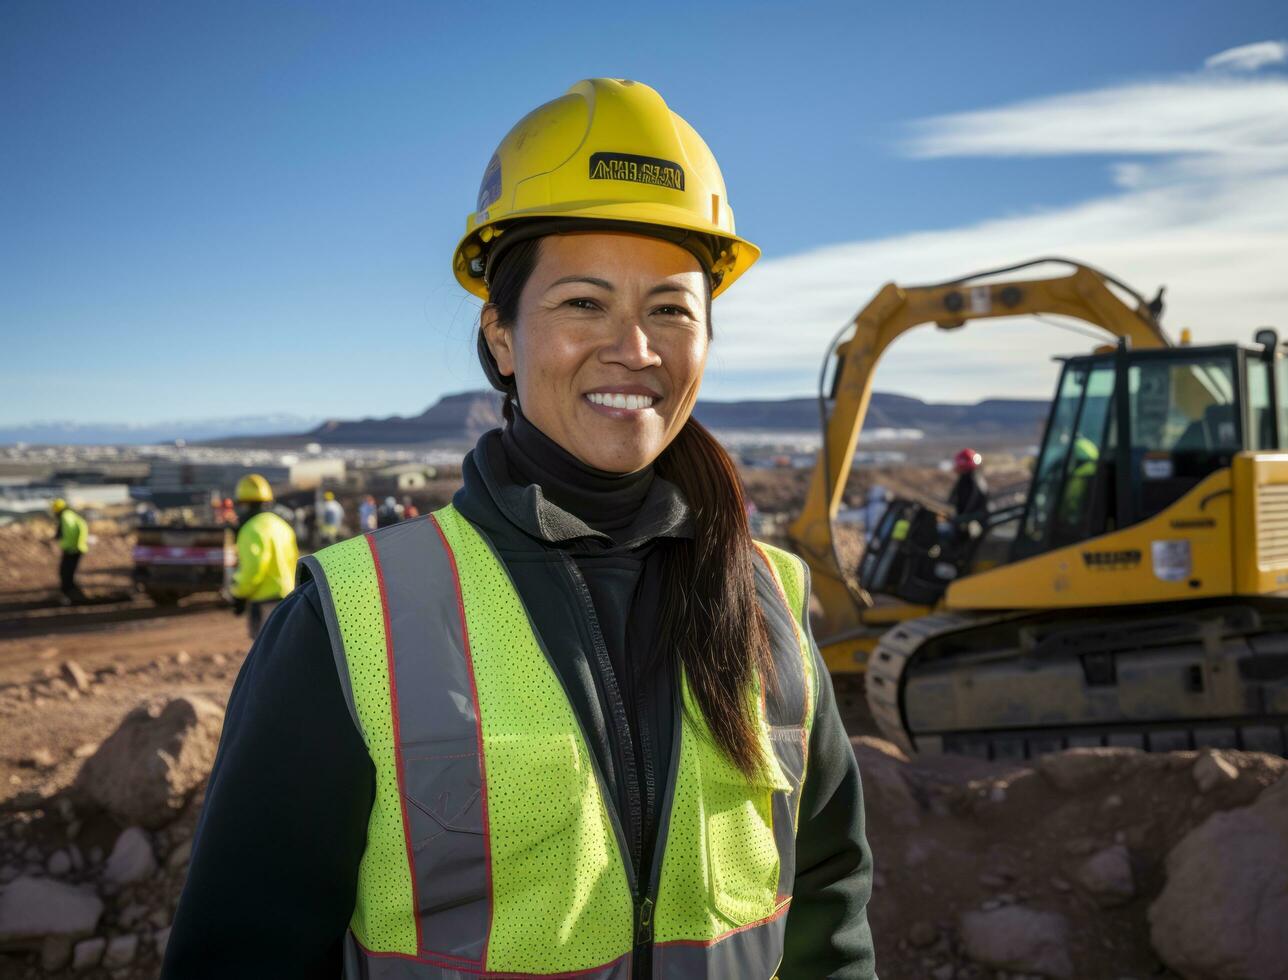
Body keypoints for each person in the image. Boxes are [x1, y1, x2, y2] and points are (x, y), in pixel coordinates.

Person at [165, 78, 875, 980]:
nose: (637, 347)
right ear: (499, 336)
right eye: (583, 303)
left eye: (671, 309)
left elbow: (828, 907)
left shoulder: (769, 597)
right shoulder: (355, 622)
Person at [227, 474, 299, 640]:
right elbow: (294, 560)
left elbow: (253, 570)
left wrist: (238, 594)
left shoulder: (250, 529)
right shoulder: (281, 525)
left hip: (264, 602)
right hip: (289, 598)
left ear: (244, 504)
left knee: (265, 657)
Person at [50, 498, 87, 605]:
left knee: (66, 573)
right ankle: (71, 594)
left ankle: (71, 595)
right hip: (74, 548)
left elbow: (70, 532)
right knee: (67, 573)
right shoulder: (70, 514)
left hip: (72, 549)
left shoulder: (66, 516)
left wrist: (70, 546)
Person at [948, 448, 989, 522]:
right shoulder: (970, 478)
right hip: (968, 520)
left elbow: (972, 502)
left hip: (970, 522)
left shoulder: (970, 480)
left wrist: (962, 519)